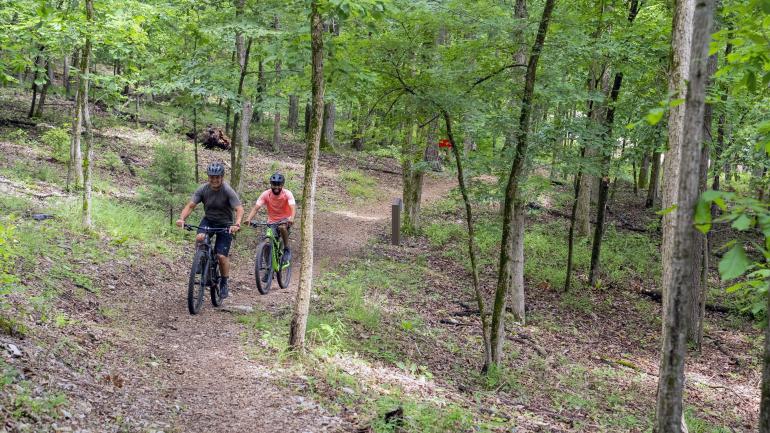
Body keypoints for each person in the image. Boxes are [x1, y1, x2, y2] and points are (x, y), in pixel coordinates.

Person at [176, 162, 244, 299]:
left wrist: (236, 224)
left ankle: (224, 282)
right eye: (211, 177)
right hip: (209, 221)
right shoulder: (203, 189)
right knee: (200, 238)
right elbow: (191, 205)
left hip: (225, 224)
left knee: (221, 256)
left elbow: (239, 208)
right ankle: (201, 261)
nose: (214, 180)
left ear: (222, 177)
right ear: (208, 177)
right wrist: (182, 219)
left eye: (217, 177)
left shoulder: (227, 190)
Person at [244, 172, 296, 258]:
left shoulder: (287, 194)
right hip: (272, 221)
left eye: (279, 185)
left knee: (282, 227)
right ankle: (268, 264)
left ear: (282, 185)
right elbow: (256, 207)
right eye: (274, 185)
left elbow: (293, 207)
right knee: (268, 240)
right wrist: (249, 219)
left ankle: (286, 248)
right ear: (271, 184)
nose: (276, 187)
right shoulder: (266, 194)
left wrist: (292, 218)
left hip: (285, 219)